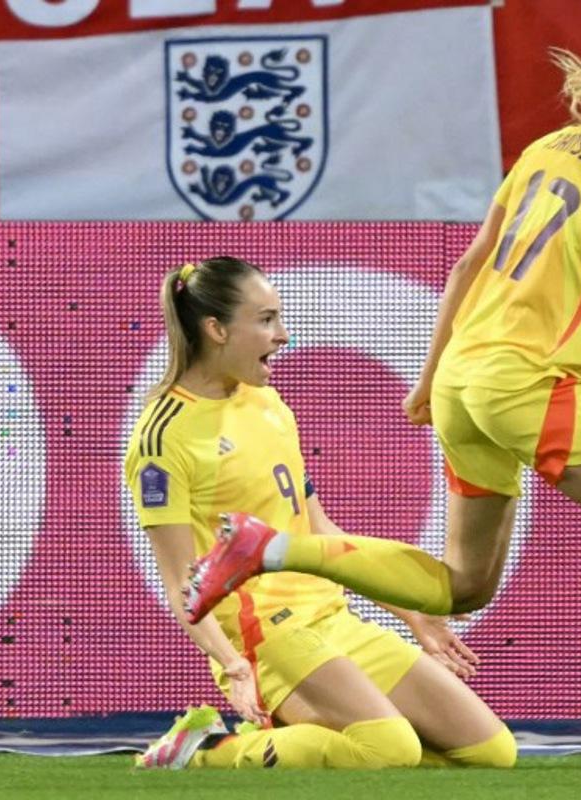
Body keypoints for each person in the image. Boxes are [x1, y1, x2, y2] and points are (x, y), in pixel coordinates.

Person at [186, 22, 581, 787]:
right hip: (535, 389)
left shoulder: (551, 149)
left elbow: (470, 266)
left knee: (463, 584)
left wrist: (430, 375)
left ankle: (271, 549)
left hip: (465, 385)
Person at [123, 257, 516, 771]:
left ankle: (307, 730)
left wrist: (411, 611)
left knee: (490, 753)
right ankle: (208, 750)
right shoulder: (162, 437)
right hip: (266, 637)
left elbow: (319, 532)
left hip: (330, 616)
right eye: (265, 320)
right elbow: (181, 583)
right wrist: (235, 667)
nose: (282, 335)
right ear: (216, 329)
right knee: (388, 749)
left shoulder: (267, 402)